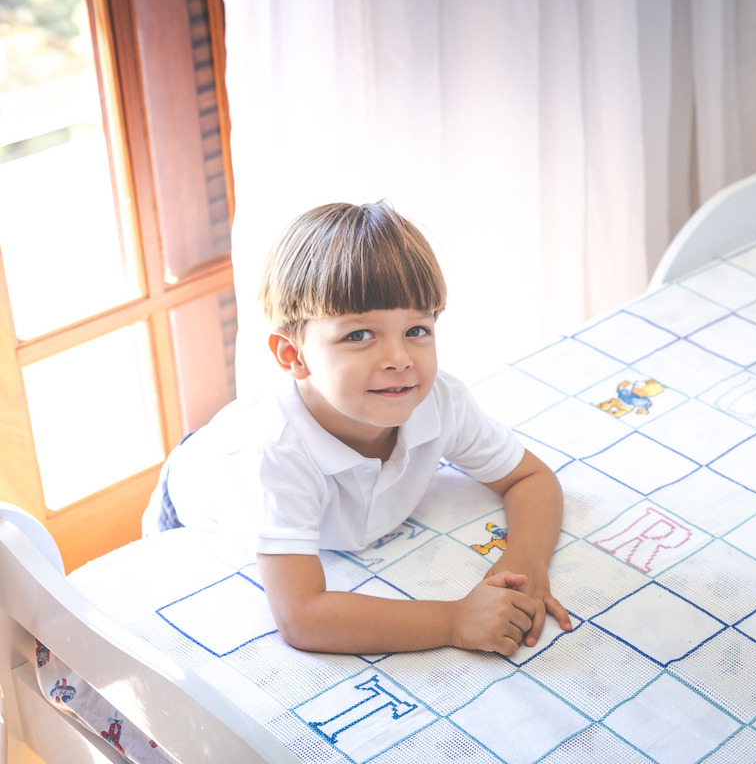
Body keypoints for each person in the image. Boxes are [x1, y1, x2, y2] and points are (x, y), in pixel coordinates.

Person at [143, 201, 571, 656]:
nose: (400, 359)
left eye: (417, 330)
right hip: (193, 493)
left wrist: (525, 561)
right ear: (294, 356)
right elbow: (302, 617)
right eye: (359, 336)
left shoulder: (440, 401)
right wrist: (453, 620)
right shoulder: (272, 453)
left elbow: (530, 477)